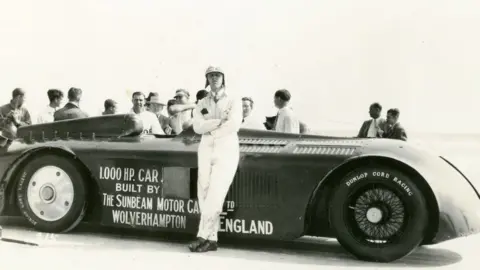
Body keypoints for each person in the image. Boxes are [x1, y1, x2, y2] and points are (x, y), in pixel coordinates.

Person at [189, 66, 242, 253]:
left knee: (216, 193)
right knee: (203, 190)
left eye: (217, 75)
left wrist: (210, 128)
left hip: (226, 148)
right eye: (210, 76)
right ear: (206, 79)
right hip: (205, 148)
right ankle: (212, 239)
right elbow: (197, 127)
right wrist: (217, 123)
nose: (214, 78)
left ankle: (202, 235)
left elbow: (234, 124)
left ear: (223, 78)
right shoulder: (202, 102)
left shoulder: (234, 100)